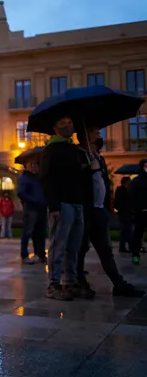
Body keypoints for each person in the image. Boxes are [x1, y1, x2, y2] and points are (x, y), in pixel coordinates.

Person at [75, 127, 144, 298]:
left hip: (99, 210)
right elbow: (73, 181)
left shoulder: (98, 156)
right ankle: (79, 282)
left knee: (105, 249)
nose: (99, 131)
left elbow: (104, 183)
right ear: (85, 133)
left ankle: (118, 283)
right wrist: (86, 168)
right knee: (81, 248)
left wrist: (106, 207)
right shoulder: (78, 156)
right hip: (86, 210)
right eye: (95, 130)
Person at [40, 116, 87, 301]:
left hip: (77, 203)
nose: (67, 126)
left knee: (73, 246)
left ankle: (71, 281)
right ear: (55, 128)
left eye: (69, 122)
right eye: (62, 123)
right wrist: (54, 205)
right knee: (58, 245)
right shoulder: (51, 150)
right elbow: (46, 177)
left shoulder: (74, 149)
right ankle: (53, 284)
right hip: (62, 204)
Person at [18, 160, 47, 265]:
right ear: (26, 165)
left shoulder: (38, 177)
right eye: (32, 164)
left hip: (41, 208)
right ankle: (24, 254)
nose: (34, 166)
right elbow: (21, 192)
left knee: (40, 232)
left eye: (36, 164)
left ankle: (40, 254)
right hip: (31, 208)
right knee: (28, 231)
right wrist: (34, 200)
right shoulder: (25, 177)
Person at [128, 159, 147, 265]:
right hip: (140, 213)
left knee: (138, 235)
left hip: (141, 212)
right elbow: (131, 198)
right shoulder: (136, 182)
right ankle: (135, 255)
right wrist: (137, 209)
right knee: (138, 235)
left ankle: (136, 254)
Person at [114, 176, 133, 253]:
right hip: (124, 213)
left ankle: (126, 245)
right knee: (126, 230)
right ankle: (127, 246)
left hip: (125, 213)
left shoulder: (123, 190)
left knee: (126, 230)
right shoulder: (123, 191)